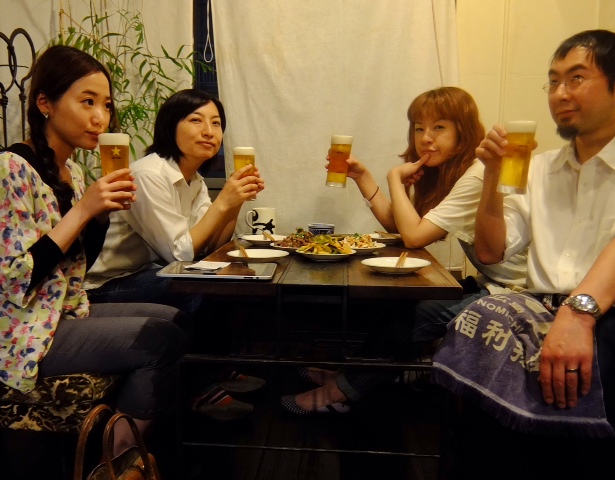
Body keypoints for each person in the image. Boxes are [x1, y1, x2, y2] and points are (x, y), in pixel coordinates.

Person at [430, 30, 615, 479]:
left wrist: (577, 316)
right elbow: (491, 250)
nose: (560, 94)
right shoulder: (539, 168)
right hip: (537, 307)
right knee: (477, 343)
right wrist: (491, 177)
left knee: (589, 393)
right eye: (554, 81)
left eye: (577, 78)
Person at [280, 86, 528, 414]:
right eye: (419, 128)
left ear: (463, 133)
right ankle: (347, 377)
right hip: (494, 285)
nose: (426, 138)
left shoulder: (476, 175)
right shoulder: (452, 174)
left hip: (520, 292)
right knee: (403, 304)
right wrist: (363, 178)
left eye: (439, 127)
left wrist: (394, 179)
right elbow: (400, 226)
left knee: (420, 314)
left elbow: (413, 237)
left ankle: (339, 393)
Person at [0, 45, 189, 457]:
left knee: (173, 316)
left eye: (106, 104)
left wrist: (100, 216)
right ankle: (120, 458)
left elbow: (77, 266)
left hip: (62, 310)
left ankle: (131, 440)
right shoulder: (11, 168)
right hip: (21, 328)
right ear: (45, 103)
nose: (101, 117)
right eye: (87, 102)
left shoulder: (74, 171)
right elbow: (16, 279)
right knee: (160, 339)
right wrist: (84, 210)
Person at [84, 88, 266, 420]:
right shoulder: (148, 174)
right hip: (106, 285)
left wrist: (235, 202)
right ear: (170, 126)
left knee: (230, 279)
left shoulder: (194, 180)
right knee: (194, 287)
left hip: (145, 273)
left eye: (216, 123)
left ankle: (218, 368)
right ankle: (200, 389)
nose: (209, 131)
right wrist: (223, 201)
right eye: (196, 120)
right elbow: (180, 254)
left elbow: (210, 247)